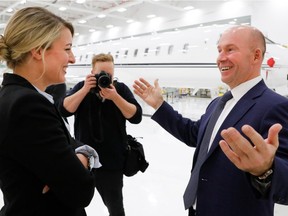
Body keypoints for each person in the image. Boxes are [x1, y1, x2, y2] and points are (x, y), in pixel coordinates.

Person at [133, 25, 288, 216]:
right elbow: (194, 135)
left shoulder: (276, 106)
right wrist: (159, 106)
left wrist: (265, 170)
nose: (221, 57)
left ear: (256, 56)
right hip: (199, 208)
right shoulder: (218, 103)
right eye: (219, 50)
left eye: (230, 49)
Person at [0, 7, 100, 216]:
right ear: (38, 51)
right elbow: (81, 190)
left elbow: (68, 145)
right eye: (67, 49)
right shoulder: (27, 106)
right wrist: (86, 155)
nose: (72, 59)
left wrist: (73, 155)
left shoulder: (16, 97)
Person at [59, 53, 142, 216]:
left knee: (115, 207)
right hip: (83, 161)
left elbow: (136, 116)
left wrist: (115, 97)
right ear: (92, 72)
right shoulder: (83, 87)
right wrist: (84, 89)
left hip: (112, 162)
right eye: (100, 74)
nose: (105, 77)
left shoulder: (120, 89)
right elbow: (63, 110)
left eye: (109, 74)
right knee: (74, 204)